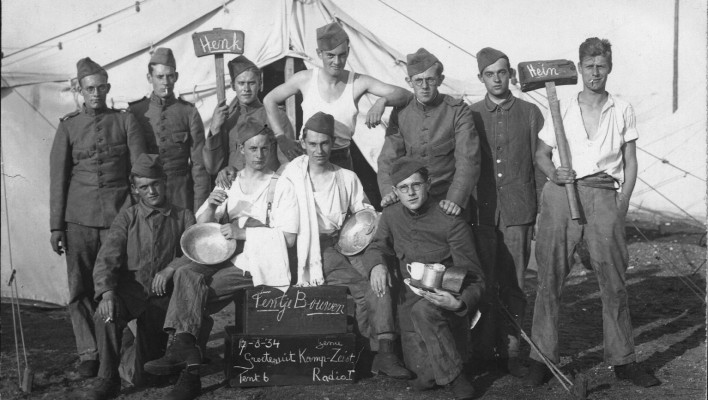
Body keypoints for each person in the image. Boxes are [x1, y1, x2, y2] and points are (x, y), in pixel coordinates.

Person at [525, 37, 659, 388]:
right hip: (560, 195)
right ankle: (542, 358)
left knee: (613, 281)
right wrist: (554, 172)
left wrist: (623, 203)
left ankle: (623, 360)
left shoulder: (622, 107)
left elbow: (630, 161)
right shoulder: (564, 107)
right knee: (550, 277)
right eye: (589, 66)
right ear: (580, 68)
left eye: (601, 66)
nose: (595, 72)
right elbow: (541, 154)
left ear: (609, 68)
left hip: (603, 195)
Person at [144, 119, 299, 400]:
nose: (259, 155)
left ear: (272, 148)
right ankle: (186, 349)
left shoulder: (282, 186)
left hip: (256, 261)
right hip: (221, 255)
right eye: (252, 149)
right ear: (241, 149)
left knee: (193, 295)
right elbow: (200, 226)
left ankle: (187, 371)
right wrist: (213, 205)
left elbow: (288, 237)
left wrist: (242, 232)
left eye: (265, 148)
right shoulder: (231, 181)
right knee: (186, 275)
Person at [279, 112, 411, 379]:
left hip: (349, 242)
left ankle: (385, 351)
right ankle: (368, 352)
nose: (319, 150)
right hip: (314, 247)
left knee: (380, 274)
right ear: (303, 142)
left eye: (325, 143)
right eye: (313, 143)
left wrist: (375, 217)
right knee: (363, 289)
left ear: (333, 143)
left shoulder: (346, 177)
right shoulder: (290, 175)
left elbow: (362, 211)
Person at [49, 57, 146, 377]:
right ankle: (89, 353)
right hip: (79, 220)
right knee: (80, 289)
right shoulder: (68, 126)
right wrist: (56, 226)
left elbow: (138, 170)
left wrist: (138, 216)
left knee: (121, 284)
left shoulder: (124, 121)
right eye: (90, 88)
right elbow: (58, 178)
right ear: (79, 89)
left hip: (119, 217)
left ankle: (121, 349)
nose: (96, 93)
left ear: (107, 87)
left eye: (102, 87)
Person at [363, 157, 485, 400]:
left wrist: (458, 303)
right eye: (403, 188)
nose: (410, 193)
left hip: (444, 304)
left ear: (428, 184)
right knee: (425, 377)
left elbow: (476, 277)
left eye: (416, 185)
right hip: (408, 306)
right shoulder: (391, 215)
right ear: (396, 191)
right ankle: (442, 369)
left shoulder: (449, 219)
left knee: (424, 312)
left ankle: (456, 378)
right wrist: (376, 264)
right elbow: (377, 246)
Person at [80, 154, 196, 400]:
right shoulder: (127, 217)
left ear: (165, 182)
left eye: (156, 183)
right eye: (144, 187)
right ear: (135, 190)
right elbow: (107, 258)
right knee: (106, 314)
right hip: (131, 294)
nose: (152, 191)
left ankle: (142, 352)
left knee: (149, 375)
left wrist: (171, 268)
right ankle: (107, 380)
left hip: (162, 299)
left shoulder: (183, 216)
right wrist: (108, 293)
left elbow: (194, 254)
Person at [468, 47, 544, 376]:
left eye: (502, 72)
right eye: (489, 74)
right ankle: (486, 349)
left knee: (514, 283)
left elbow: (540, 166)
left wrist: (540, 210)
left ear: (510, 74)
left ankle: (513, 350)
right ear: (480, 77)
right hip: (483, 213)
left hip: (519, 211)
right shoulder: (470, 115)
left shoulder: (530, 113)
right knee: (484, 281)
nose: (497, 79)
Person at [263, 21, 410, 169]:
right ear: (319, 53)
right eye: (330, 56)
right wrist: (281, 137)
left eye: (342, 55)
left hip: (340, 159)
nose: (337, 62)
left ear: (348, 52)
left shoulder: (357, 82)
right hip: (308, 156)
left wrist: (382, 101)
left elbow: (405, 95)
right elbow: (269, 100)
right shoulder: (305, 79)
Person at [377, 48, 480, 217]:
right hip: (411, 203)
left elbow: (468, 160)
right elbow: (388, 158)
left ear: (440, 80)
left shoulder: (458, 111)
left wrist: (456, 199)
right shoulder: (401, 113)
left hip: (447, 201)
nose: (424, 87)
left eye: (430, 80)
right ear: (409, 82)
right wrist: (388, 190)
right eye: (418, 81)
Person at [127, 48, 210, 212]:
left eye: (170, 76)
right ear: (149, 78)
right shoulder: (136, 112)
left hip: (180, 195)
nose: (166, 82)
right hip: (147, 196)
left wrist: (199, 206)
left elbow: (199, 165)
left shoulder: (188, 112)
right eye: (160, 77)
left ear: (176, 77)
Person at [204, 55, 294, 180]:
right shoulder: (225, 119)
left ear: (260, 85)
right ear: (233, 86)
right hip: (235, 188)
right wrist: (214, 128)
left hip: (267, 188)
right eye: (241, 83)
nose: (246, 89)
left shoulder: (276, 116)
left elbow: (288, 164)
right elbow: (212, 167)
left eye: (251, 83)